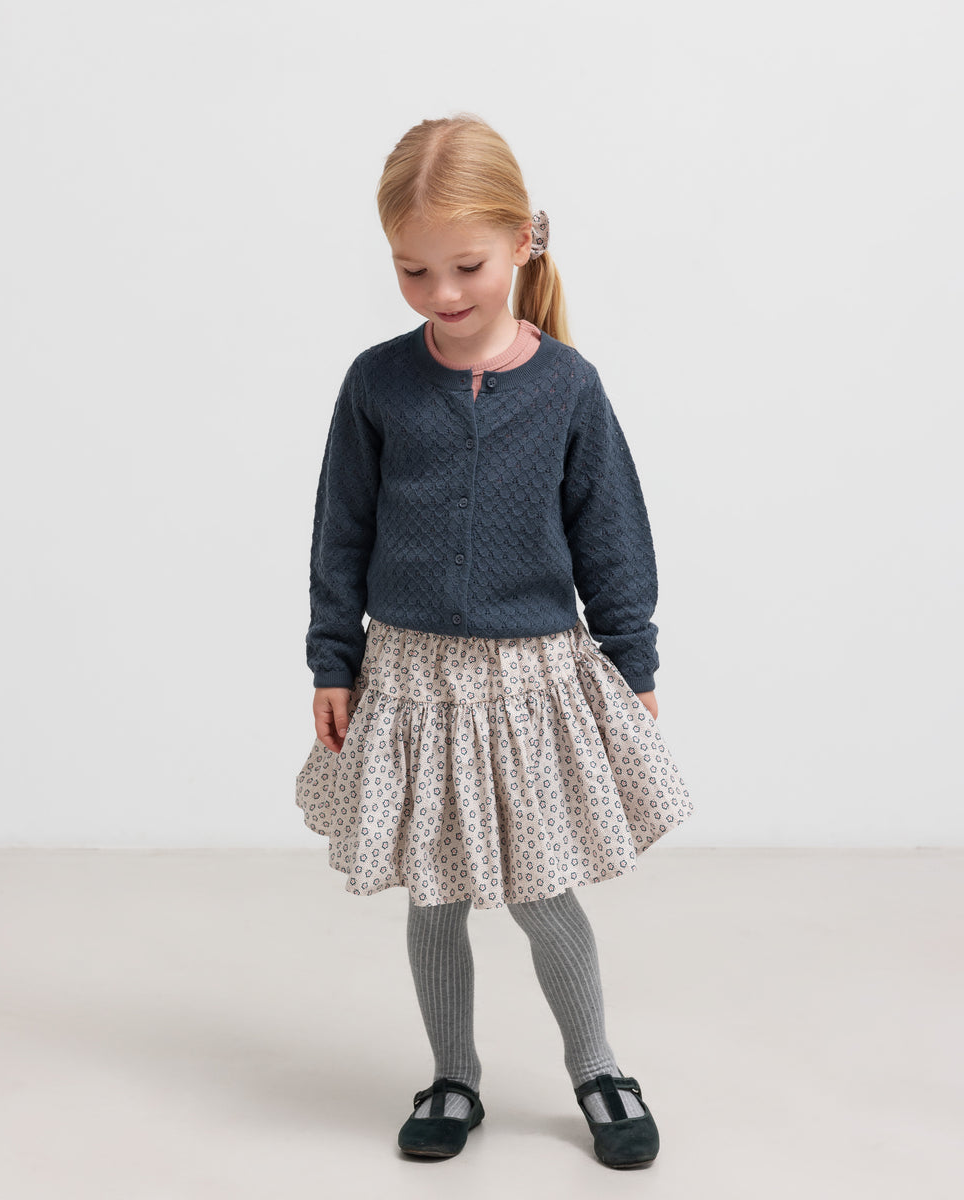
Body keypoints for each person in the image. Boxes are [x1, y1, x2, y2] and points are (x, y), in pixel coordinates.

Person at [294, 113, 694, 1169]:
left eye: (465, 266)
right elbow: (341, 529)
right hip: (409, 679)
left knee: (539, 890)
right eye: (412, 271)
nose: (441, 293)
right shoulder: (376, 384)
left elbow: (612, 531)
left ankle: (597, 1065)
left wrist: (633, 661)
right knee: (435, 896)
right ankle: (453, 1076)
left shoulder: (567, 387)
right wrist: (333, 659)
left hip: (528, 683)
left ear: (522, 241)